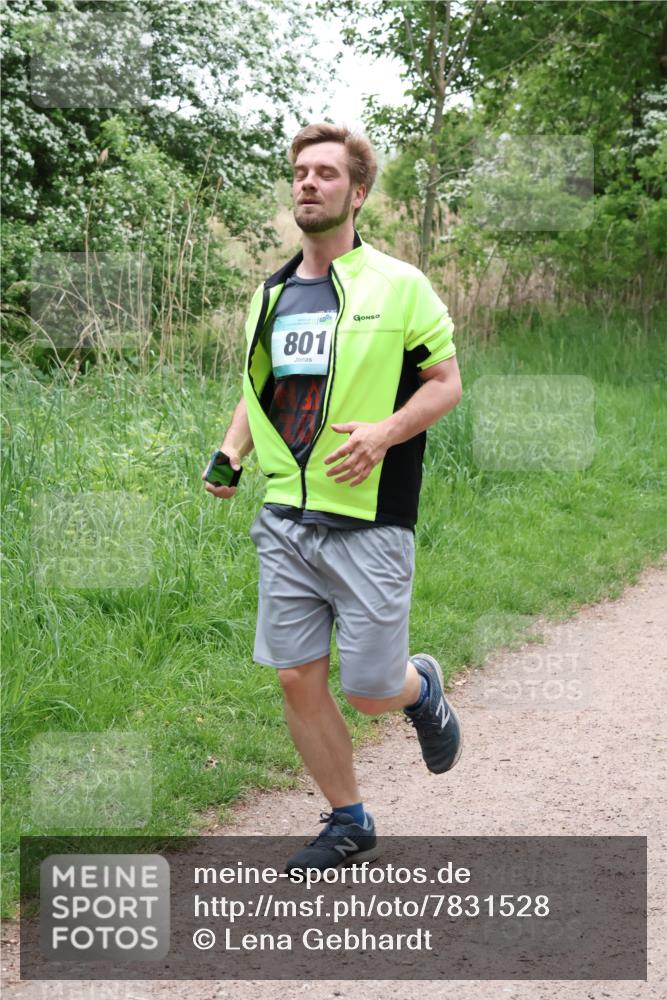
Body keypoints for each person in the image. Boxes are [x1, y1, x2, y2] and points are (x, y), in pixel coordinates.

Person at [203, 123, 463, 875]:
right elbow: (262, 394)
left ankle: (419, 690)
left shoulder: (399, 285)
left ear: (357, 192)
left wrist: (384, 432)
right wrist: (231, 449)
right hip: (285, 517)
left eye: (324, 173)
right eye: (298, 172)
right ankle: (348, 821)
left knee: (372, 690)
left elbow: (445, 383)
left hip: (368, 516)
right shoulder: (273, 294)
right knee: (294, 674)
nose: (306, 183)